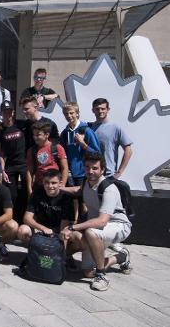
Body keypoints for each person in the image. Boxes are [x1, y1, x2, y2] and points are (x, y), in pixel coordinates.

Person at [60, 152, 132, 291]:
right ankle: (121, 257)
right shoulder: (87, 182)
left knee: (90, 232)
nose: (90, 171)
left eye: (94, 168)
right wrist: (60, 189)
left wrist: (72, 227)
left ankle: (101, 275)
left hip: (119, 226)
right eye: (87, 167)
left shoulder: (108, 189)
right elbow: (79, 191)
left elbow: (101, 222)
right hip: (100, 228)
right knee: (87, 272)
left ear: (102, 169)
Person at [17, 169, 75, 242]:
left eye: (54, 183)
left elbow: (65, 224)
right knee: (22, 230)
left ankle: (61, 251)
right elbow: (27, 218)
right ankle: (35, 248)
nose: (50, 186)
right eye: (47, 182)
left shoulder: (66, 197)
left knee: (70, 236)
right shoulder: (37, 193)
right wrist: (43, 228)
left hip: (59, 230)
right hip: (40, 228)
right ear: (43, 183)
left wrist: (59, 243)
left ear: (60, 183)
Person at [0, 100, 28, 223]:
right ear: (1, 113)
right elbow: (0, 152)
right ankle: (11, 220)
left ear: (13, 112)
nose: (7, 114)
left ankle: (24, 220)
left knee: (25, 192)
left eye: (9, 111)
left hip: (24, 164)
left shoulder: (21, 124)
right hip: (10, 165)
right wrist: (2, 170)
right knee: (11, 194)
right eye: (4, 112)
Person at [60, 102, 101, 187]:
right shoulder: (64, 133)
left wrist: (83, 144)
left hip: (84, 173)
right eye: (66, 113)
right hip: (70, 174)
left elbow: (97, 153)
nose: (69, 116)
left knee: (84, 199)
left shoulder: (86, 130)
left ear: (77, 113)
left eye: (71, 113)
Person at [90, 98, 133, 179]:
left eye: (103, 109)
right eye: (97, 109)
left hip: (108, 175)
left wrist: (120, 171)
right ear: (93, 110)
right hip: (92, 174)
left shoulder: (115, 128)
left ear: (108, 110)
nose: (100, 111)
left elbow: (128, 150)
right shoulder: (90, 128)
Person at [26, 121, 68, 195]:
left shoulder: (57, 148)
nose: (35, 137)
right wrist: (29, 188)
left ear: (47, 135)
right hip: (39, 186)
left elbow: (65, 168)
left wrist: (62, 185)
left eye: (38, 134)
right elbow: (29, 171)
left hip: (54, 186)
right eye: (34, 135)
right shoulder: (32, 150)